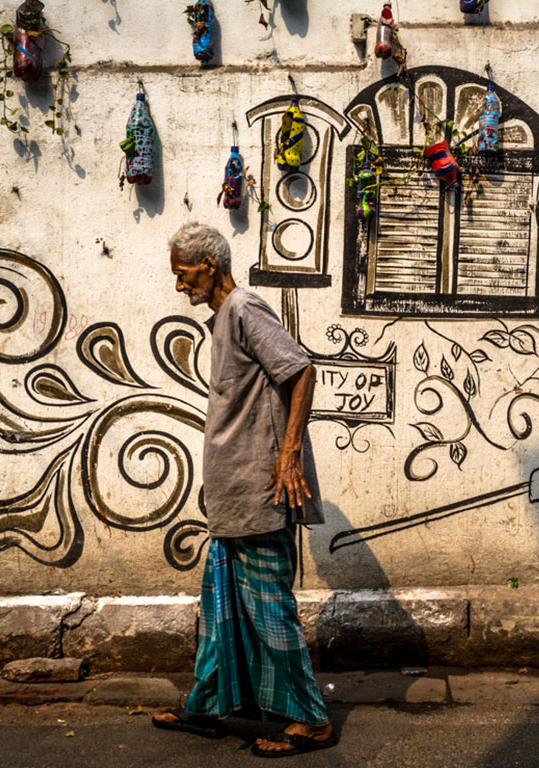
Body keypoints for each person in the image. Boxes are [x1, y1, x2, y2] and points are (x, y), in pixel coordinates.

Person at [152, 222, 336, 758]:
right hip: (234, 497)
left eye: (184, 274)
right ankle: (209, 706)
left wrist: (288, 454)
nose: (181, 285)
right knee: (221, 608)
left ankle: (310, 719)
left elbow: (301, 371)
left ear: (209, 265)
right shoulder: (223, 320)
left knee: (268, 612)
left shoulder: (244, 308)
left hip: (260, 492)